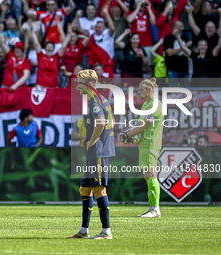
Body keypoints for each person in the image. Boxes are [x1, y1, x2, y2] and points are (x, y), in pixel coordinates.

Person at [68, 69, 115, 239]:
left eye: (80, 82)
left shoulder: (95, 101)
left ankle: (106, 231)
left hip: (98, 152)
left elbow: (101, 122)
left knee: (100, 190)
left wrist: (92, 140)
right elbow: (112, 121)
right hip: (97, 151)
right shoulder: (102, 99)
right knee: (85, 189)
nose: (77, 85)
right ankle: (84, 230)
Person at [120, 77, 163, 217]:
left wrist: (127, 134)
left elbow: (145, 126)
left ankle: (155, 209)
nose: (138, 92)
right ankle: (153, 208)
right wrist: (132, 136)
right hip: (145, 143)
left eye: (140, 90)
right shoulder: (146, 105)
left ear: (149, 90)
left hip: (150, 143)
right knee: (148, 175)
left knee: (150, 174)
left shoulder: (154, 105)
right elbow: (140, 126)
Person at [29, 19, 71, 88]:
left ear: (54, 49)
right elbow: (36, 44)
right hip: (40, 86)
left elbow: (63, 47)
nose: (49, 48)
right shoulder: (41, 55)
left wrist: (69, 34)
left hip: (53, 86)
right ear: (45, 49)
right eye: (48, 47)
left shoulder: (56, 57)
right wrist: (32, 32)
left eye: (51, 47)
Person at [82, 1, 115, 78]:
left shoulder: (108, 33)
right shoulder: (92, 35)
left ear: (104, 28)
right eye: (96, 27)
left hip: (107, 64)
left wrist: (106, 14)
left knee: (108, 84)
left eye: (100, 27)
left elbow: (112, 27)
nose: (98, 28)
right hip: (95, 65)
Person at [0, 25, 31, 91]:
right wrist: (0, 32)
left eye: (19, 49)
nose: (17, 50)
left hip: (19, 88)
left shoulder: (26, 61)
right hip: (6, 86)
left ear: (22, 51)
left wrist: (15, 86)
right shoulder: (10, 54)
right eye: (15, 49)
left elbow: (26, 76)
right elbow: (2, 43)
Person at [126, 0, 156, 65]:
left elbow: (154, 22)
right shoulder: (130, 13)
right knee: (136, 64)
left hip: (147, 44)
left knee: (148, 65)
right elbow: (129, 19)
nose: (142, 5)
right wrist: (137, 8)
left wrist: (149, 8)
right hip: (135, 44)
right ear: (135, 4)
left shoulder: (147, 14)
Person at [163, 20, 192, 87]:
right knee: (172, 90)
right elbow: (169, 53)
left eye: (183, 26)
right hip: (173, 69)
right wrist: (184, 47)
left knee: (186, 90)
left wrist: (185, 48)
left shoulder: (185, 37)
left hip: (184, 69)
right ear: (175, 28)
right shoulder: (168, 38)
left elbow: (189, 53)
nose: (183, 28)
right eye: (180, 27)